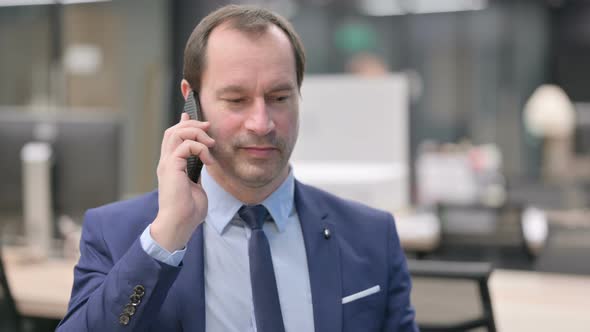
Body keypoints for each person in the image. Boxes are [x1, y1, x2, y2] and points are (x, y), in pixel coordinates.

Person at [57, 4, 417, 332]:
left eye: (279, 98)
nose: (261, 123)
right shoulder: (119, 234)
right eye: (236, 100)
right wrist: (169, 234)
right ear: (192, 100)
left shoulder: (371, 236)